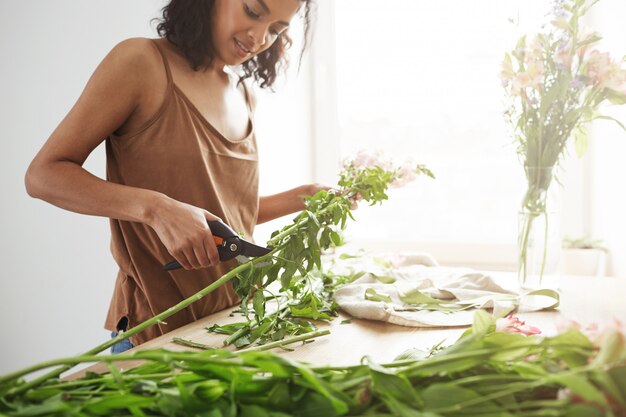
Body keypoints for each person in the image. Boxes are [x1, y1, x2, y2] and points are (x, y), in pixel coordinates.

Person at [24, 0, 319, 352]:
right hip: (153, 337)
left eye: (276, 30)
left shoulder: (242, 95)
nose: (259, 38)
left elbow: (222, 218)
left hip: (228, 333)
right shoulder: (141, 62)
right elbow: (43, 175)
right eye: (253, 12)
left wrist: (302, 197)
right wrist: (156, 209)